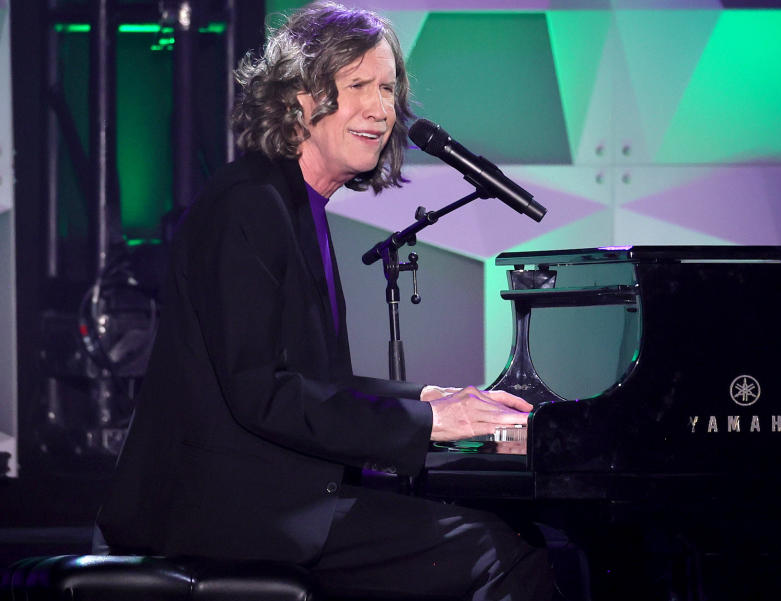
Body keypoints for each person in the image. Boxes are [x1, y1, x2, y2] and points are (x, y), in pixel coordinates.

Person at [96, 3, 554, 600]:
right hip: (226, 510)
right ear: (297, 98)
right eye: (357, 84)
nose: (380, 108)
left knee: (501, 535)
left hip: (267, 496)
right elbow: (262, 393)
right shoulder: (249, 204)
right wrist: (430, 423)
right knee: (497, 553)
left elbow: (317, 380)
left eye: (387, 87)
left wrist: (428, 398)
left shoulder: (292, 203)